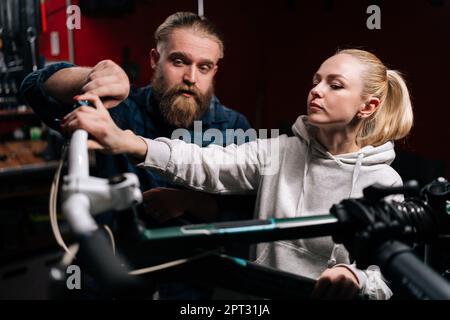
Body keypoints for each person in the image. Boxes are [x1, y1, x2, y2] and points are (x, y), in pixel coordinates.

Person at [61, 48, 413, 299]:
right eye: (316, 80)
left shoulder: (384, 182)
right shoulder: (279, 150)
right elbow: (205, 161)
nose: (316, 90)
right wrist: (128, 142)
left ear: (368, 106)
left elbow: (386, 280)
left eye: (334, 85)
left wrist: (355, 278)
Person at [20, 12, 255, 299]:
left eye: (204, 67)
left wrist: (190, 201)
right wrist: (91, 76)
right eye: (179, 61)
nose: (191, 78)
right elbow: (32, 87)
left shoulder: (233, 128)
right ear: (155, 59)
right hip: (110, 275)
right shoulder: (120, 108)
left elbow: (247, 216)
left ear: (214, 71)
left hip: (187, 284)